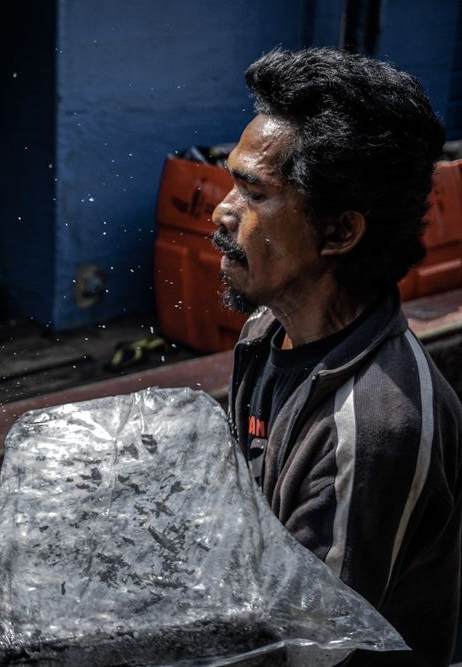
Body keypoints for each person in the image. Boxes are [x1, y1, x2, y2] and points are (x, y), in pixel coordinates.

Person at [214, 47, 461, 665]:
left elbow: (312, 649)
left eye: (253, 192)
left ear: (338, 233)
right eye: (230, 180)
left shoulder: (372, 428)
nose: (223, 211)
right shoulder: (265, 333)